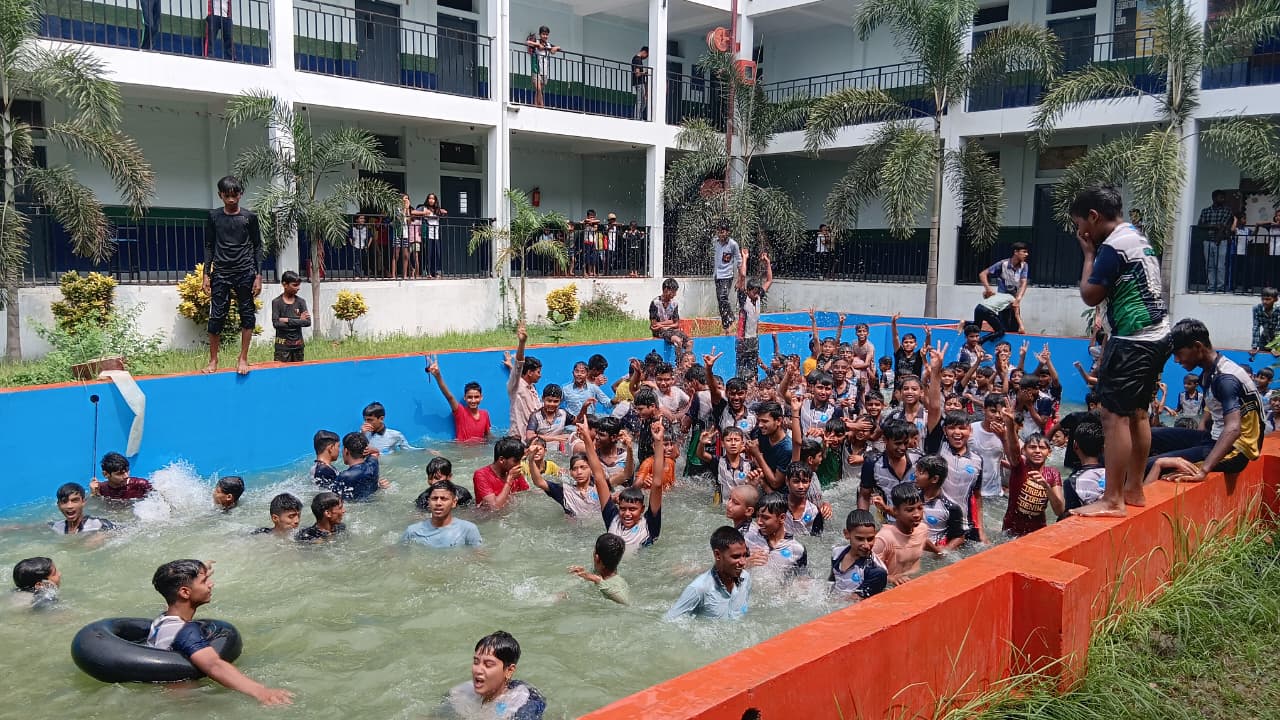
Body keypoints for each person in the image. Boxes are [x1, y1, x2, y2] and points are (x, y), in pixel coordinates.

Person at [1069, 185, 1169, 517]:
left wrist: (1086, 255)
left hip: (1133, 340)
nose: (1081, 232)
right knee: (1139, 412)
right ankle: (1134, 489)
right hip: (1157, 335)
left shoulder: (1112, 246)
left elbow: (1090, 295)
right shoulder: (1137, 237)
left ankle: (1112, 498)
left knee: (1113, 416)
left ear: (1094, 217)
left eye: (1080, 224)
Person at [147, 560, 293, 704]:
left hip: (164, 697)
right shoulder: (185, 632)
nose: (211, 584)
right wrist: (261, 692)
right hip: (187, 703)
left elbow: (175, 585)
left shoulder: (162, 620)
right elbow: (214, 665)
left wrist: (201, 571)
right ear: (185, 592)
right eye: (204, 582)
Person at [1145, 318, 1265, 481]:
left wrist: (1203, 471)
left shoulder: (1225, 379)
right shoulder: (1209, 372)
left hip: (1234, 451)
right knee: (1149, 436)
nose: (1177, 360)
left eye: (1179, 354)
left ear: (1198, 347)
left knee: (1152, 465)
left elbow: (1234, 428)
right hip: (1212, 438)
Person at [202, 176, 262, 376]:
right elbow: (209, 245)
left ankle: (243, 357)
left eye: (234, 195)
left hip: (245, 271)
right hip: (221, 272)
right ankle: (213, 359)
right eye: (226, 196)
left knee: (247, 314)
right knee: (216, 316)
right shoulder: (214, 217)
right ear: (220, 195)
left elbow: (257, 246)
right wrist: (206, 274)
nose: (231, 199)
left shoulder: (249, 218)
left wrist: (258, 275)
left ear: (240, 194)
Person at [446, 631, 546, 719]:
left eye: (488, 664)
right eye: (476, 662)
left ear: (509, 671)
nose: (478, 670)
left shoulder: (523, 702)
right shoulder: (461, 692)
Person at [997, 407, 1064, 536]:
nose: (1037, 451)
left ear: (1049, 453)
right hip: (1011, 531)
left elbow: (1060, 511)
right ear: (1024, 451)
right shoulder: (1019, 466)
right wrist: (1010, 426)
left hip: (1038, 532)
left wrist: (1046, 486)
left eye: (1042, 448)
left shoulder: (1053, 473)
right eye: (1032, 447)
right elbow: (1014, 449)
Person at [602, 419, 667, 553]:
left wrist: (659, 442)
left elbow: (657, 483)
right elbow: (599, 479)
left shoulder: (649, 525)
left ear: (642, 509)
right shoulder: (613, 519)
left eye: (632, 509)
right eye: (623, 509)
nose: (626, 514)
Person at [664, 526, 751, 620]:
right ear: (717, 555)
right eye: (736, 556)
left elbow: (743, 611)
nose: (743, 562)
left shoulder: (745, 578)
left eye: (745, 555)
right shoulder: (699, 589)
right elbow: (669, 621)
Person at [872, 482, 934, 586]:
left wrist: (940, 552)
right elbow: (867, 571)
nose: (917, 514)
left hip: (917, 581)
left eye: (920, 508)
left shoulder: (922, 529)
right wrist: (891, 578)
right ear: (895, 511)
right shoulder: (884, 538)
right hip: (892, 587)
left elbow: (922, 542)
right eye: (910, 510)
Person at [426, 356, 492, 442]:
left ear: (481, 397)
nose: (473, 400)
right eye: (469, 397)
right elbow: (449, 397)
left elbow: (488, 435)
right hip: (463, 452)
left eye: (476, 397)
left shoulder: (485, 414)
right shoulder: (460, 412)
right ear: (465, 398)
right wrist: (438, 376)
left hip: (480, 453)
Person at [402, 481, 483, 549]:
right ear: (428, 502)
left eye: (444, 499)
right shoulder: (413, 531)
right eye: (434, 498)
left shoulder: (468, 530)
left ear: (454, 502)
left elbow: (479, 558)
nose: (438, 503)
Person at [829, 510, 888, 601]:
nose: (866, 545)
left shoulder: (876, 571)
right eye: (860, 539)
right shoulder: (837, 553)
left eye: (870, 539)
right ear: (846, 534)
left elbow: (855, 600)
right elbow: (831, 582)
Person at [736, 249, 773, 381]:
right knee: (741, 369)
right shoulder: (743, 299)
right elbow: (742, 276)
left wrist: (767, 263)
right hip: (743, 340)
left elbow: (769, 280)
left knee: (753, 369)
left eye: (758, 291)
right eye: (755, 291)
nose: (757, 293)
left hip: (754, 339)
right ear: (748, 290)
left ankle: (753, 386)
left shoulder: (757, 298)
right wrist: (745, 258)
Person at [979, 241, 1029, 333]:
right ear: (1016, 252)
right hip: (1002, 300)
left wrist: (1018, 298)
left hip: (1014, 298)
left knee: (1015, 324)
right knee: (1003, 325)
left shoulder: (1024, 266)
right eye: (1024, 252)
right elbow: (983, 274)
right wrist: (988, 289)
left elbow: (1024, 283)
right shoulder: (1003, 264)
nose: (1026, 254)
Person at [569, 533, 630, 605]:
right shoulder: (600, 574)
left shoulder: (617, 583)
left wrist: (598, 581)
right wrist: (584, 573)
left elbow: (626, 603)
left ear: (596, 557)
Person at [473, 437, 530, 510]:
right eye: (516, 461)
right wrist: (509, 481)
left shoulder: (514, 472)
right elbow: (494, 508)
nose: (520, 464)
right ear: (502, 460)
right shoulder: (481, 475)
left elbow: (527, 494)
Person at [325, 432, 385, 501]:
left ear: (346, 450)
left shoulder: (345, 476)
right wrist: (373, 449)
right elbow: (375, 453)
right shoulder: (373, 465)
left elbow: (331, 498)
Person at [1063, 421, 1106, 513]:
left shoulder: (1071, 482)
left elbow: (1071, 515)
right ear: (1103, 449)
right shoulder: (1116, 474)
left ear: (1075, 446)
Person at [507, 323, 541, 437]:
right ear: (530, 372)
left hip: (532, 437)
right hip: (518, 437)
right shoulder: (516, 387)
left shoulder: (532, 388)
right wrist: (522, 343)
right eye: (538, 372)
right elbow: (518, 366)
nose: (540, 376)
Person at [1197, 190, 1234, 292]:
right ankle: (1211, 285)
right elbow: (1200, 225)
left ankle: (1220, 286)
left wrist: (1218, 237)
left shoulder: (1227, 210)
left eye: (1223, 197)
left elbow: (1223, 225)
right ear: (1214, 198)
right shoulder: (1205, 211)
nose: (1223, 199)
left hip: (1221, 241)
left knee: (1220, 265)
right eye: (1220, 197)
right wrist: (1213, 226)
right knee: (1209, 265)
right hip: (1207, 241)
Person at [270, 271, 310, 363]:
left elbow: (307, 322)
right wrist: (299, 320)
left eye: (299, 285)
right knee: (281, 374)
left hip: (298, 346)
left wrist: (287, 320)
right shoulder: (277, 302)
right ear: (285, 285)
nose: (298, 288)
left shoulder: (301, 302)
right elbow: (276, 323)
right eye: (295, 285)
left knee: (298, 374)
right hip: (282, 347)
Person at [711, 220, 742, 330]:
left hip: (727, 275)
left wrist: (740, 279)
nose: (720, 234)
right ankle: (726, 325)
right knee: (720, 300)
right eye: (719, 231)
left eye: (723, 231)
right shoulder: (715, 242)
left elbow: (739, 261)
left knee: (723, 297)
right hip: (717, 275)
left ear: (728, 232)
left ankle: (732, 319)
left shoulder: (733, 244)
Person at [649, 278, 690, 353]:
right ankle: (679, 362)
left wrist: (661, 324)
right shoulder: (655, 303)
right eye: (673, 292)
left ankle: (686, 361)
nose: (675, 294)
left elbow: (677, 324)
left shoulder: (674, 304)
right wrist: (670, 322)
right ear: (665, 290)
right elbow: (654, 325)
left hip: (670, 330)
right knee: (678, 340)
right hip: (659, 332)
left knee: (689, 343)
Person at [525, 26, 560, 108]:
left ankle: (535, 105)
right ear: (540, 34)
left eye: (547, 34)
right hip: (536, 70)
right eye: (543, 34)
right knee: (539, 89)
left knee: (539, 91)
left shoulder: (548, 44)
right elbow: (527, 42)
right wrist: (537, 45)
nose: (545, 36)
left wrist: (554, 48)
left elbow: (559, 48)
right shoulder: (536, 41)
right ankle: (542, 106)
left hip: (544, 71)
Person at [420, 193, 448, 278]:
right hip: (428, 234)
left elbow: (445, 213)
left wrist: (442, 211)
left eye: (433, 199)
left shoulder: (437, 210)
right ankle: (428, 272)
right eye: (429, 198)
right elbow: (414, 212)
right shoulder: (424, 208)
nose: (431, 200)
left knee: (436, 253)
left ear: (435, 200)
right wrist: (424, 213)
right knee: (429, 254)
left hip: (436, 235)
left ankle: (434, 271)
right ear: (427, 200)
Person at [1251, 287, 1279, 361]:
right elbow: (1256, 327)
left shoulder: (1279, 310)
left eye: (1268, 299)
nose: (1264, 301)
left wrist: (1276, 347)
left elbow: (1278, 330)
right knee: (1262, 359)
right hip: (1265, 337)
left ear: (1276, 299)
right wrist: (1254, 347)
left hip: (1278, 338)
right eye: (1263, 299)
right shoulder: (1257, 308)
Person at [631, 46, 650, 120]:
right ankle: (637, 117)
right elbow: (637, 73)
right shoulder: (637, 60)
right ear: (644, 52)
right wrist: (645, 72)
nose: (646, 57)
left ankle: (638, 115)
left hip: (639, 83)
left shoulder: (636, 59)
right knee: (640, 101)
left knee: (643, 101)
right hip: (639, 83)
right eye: (647, 55)